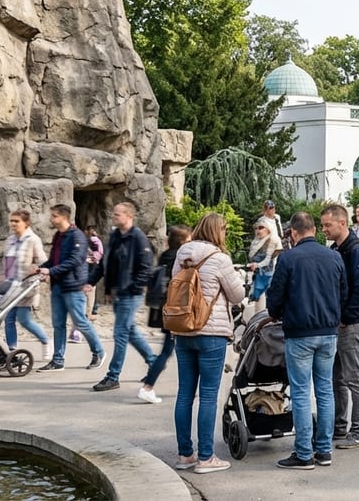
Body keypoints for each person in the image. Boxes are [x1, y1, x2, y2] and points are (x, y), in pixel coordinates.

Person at [268, 212, 345, 470]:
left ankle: (303, 453)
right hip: (328, 332)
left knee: (301, 393)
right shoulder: (334, 256)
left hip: (300, 332)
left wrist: (275, 314)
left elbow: (275, 296)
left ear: (292, 233)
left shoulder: (288, 258)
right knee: (324, 391)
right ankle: (324, 451)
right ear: (314, 229)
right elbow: (342, 292)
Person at [171, 213, 245, 474]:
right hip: (211, 333)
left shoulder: (182, 254)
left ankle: (185, 454)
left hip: (183, 331)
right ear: (218, 231)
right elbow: (237, 295)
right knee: (209, 395)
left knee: (184, 394)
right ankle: (205, 457)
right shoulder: (219, 259)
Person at [87, 202, 156, 393]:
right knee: (130, 331)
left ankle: (113, 376)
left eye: (118, 214)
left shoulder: (139, 239)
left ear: (129, 216)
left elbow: (146, 269)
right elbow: (105, 264)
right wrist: (93, 282)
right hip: (119, 293)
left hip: (130, 295)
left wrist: (133, 288)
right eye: (114, 213)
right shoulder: (115, 236)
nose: (114, 216)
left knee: (120, 334)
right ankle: (154, 363)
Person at [322, 205, 359, 450]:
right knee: (337, 378)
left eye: (327, 225)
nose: (324, 230)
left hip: (352, 323)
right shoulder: (337, 249)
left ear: (342, 223)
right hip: (339, 322)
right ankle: (339, 427)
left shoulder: (357, 250)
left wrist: (345, 317)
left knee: (353, 377)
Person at [35, 204, 105, 373]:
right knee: (58, 324)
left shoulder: (77, 236)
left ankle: (99, 351)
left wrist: (50, 271)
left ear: (64, 218)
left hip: (73, 287)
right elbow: (53, 260)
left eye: (54, 216)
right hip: (58, 286)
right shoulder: (58, 236)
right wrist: (40, 268)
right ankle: (58, 360)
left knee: (80, 322)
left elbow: (75, 260)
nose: (51, 219)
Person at [139, 224, 191, 404]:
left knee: (170, 350)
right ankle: (148, 386)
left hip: (165, 310)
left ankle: (149, 383)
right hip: (176, 311)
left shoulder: (164, 256)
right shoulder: (180, 258)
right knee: (169, 351)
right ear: (183, 240)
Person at [1, 209, 51, 361]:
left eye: (17, 221)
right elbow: (7, 261)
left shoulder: (32, 239)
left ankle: (46, 341)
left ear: (26, 223)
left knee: (24, 319)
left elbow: (42, 260)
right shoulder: (10, 240)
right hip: (11, 284)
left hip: (26, 285)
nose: (13, 224)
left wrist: (41, 272)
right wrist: (3, 275)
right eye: (12, 221)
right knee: (9, 319)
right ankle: (12, 352)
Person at [246, 216, 283, 309]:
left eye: (261, 227)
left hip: (268, 277)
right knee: (253, 304)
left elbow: (267, 260)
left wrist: (256, 265)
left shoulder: (271, 241)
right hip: (256, 277)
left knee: (266, 305)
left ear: (268, 229)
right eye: (256, 228)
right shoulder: (255, 243)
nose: (258, 230)